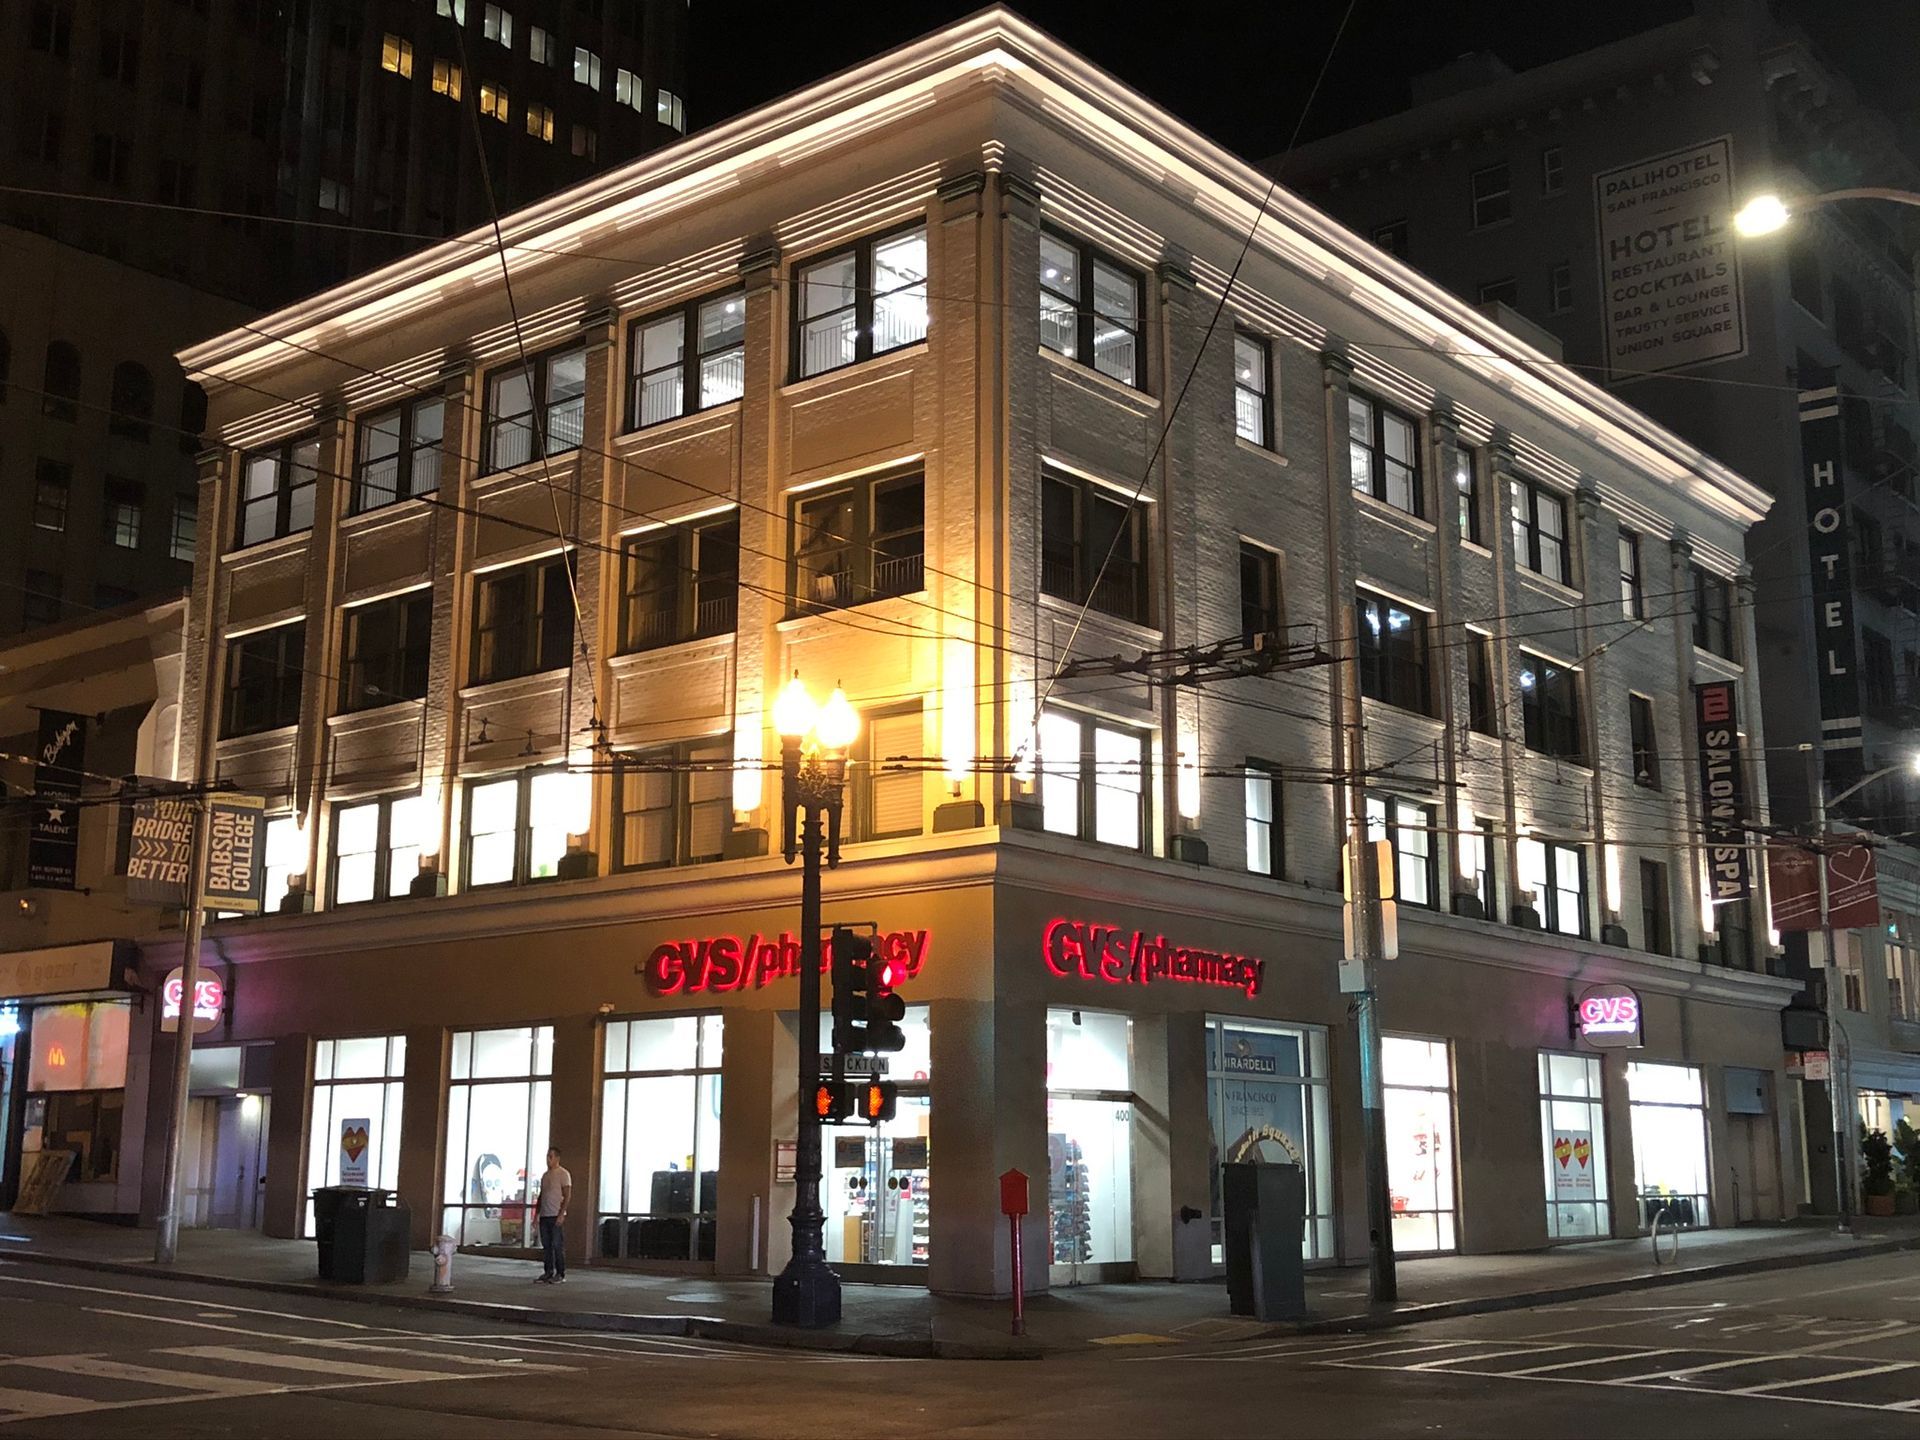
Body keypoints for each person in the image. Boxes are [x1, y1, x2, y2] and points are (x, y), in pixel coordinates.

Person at [536, 1146, 572, 1283]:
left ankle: (560, 1273)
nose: (548, 1159)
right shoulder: (545, 1176)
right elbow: (541, 1196)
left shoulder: (563, 1174)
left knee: (557, 1245)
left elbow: (567, 1195)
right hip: (545, 1215)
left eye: (551, 1156)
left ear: (557, 1158)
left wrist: (561, 1214)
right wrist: (536, 1215)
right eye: (547, 1156)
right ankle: (548, 1271)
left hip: (555, 1215)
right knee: (547, 1246)